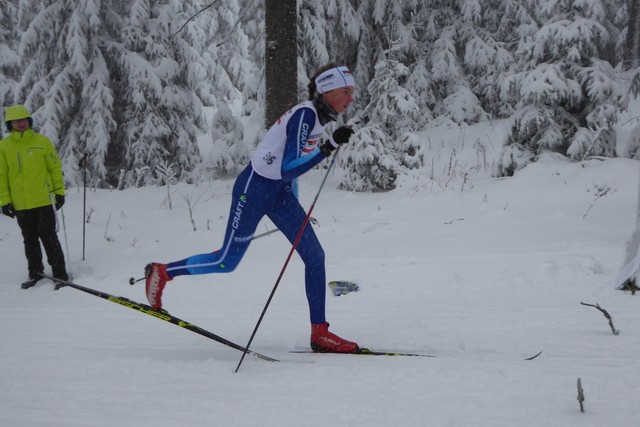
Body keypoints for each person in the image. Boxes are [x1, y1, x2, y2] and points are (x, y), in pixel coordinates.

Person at [144, 64, 359, 353]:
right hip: (254, 190)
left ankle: (320, 332)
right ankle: (163, 272)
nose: (350, 98)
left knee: (315, 255)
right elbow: (286, 168)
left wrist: (294, 204)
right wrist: (328, 146)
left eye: (352, 92)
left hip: (280, 194)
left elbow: (287, 169)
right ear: (327, 90)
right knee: (226, 261)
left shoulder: (316, 118)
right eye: (345, 91)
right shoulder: (306, 114)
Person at [0, 105, 69, 289]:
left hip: (43, 200)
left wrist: (59, 192)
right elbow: (2, 176)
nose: (20, 123)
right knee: (29, 239)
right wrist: (4, 201)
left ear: (29, 121)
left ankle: (60, 275)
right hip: (20, 203)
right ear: (10, 124)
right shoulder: (4, 147)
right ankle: (35, 273)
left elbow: (54, 168)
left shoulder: (43, 141)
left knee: (49, 237)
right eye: (16, 121)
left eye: (23, 120)